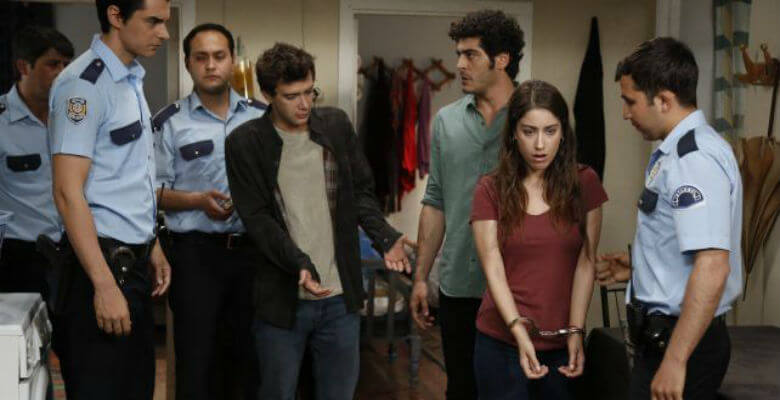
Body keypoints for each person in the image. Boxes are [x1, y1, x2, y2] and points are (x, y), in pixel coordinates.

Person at [225, 42, 410, 400]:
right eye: (291, 96)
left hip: (340, 300)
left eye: (310, 92)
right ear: (267, 95)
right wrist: (299, 263)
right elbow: (258, 219)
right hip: (281, 299)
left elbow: (361, 193)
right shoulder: (245, 143)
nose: (304, 104)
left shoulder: (336, 126)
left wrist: (385, 236)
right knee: (277, 393)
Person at [599, 37, 743, 400]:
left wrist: (676, 360)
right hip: (666, 338)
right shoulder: (680, 150)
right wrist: (640, 267)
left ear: (663, 100)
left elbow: (713, 266)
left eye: (630, 101)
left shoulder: (693, 160)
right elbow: (687, 245)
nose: (625, 113)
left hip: (682, 344)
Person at [48, 0, 172, 398]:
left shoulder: (130, 79)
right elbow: (67, 192)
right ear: (116, 16)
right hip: (99, 268)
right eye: (153, 22)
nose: (164, 33)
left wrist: (151, 243)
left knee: (135, 388)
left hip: (131, 265)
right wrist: (103, 285)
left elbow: (127, 177)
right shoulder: (83, 85)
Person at [409, 9, 525, 399]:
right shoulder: (446, 121)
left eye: (470, 54)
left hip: (518, 285)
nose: (459, 64)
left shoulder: (535, 118)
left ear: (501, 59)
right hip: (458, 285)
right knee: (461, 389)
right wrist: (421, 277)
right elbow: (435, 202)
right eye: (458, 54)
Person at [470, 80, 607, 399]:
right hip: (501, 343)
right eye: (529, 131)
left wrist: (576, 330)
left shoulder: (585, 182)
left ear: (563, 133)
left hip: (562, 345)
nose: (540, 144)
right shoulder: (489, 189)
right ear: (513, 134)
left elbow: (586, 261)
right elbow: (492, 266)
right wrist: (519, 331)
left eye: (550, 131)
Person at [153, 23, 265, 400]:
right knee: (197, 362)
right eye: (201, 57)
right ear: (187, 63)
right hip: (195, 256)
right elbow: (152, 192)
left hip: (253, 255)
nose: (211, 65)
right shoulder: (169, 122)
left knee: (249, 361)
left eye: (219, 56)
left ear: (233, 61)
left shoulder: (262, 118)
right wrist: (197, 200)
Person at [0, 26, 73, 298]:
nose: (62, 73)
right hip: (18, 255)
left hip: (72, 250)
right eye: (53, 64)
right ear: (24, 67)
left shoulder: (74, 118)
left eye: (67, 65)